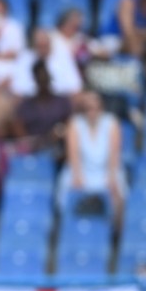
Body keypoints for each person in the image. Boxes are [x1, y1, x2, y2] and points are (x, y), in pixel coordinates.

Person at [57, 91, 127, 222]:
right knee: (69, 189)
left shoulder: (112, 123)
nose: (92, 112)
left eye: (95, 108)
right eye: (88, 109)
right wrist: (78, 178)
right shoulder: (74, 124)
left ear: (101, 108)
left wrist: (111, 179)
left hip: (106, 170)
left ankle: (114, 234)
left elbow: (114, 155)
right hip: (82, 170)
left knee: (117, 192)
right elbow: (73, 157)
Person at [10, 60, 72, 154]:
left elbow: (69, 124)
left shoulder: (62, 102)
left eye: (45, 78)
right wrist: (31, 144)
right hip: (34, 151)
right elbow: (18, 127)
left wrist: (60, 132)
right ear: (35, 79)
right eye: (40, 78)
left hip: (58, 150)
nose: (43, 82)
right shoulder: (26, 105)